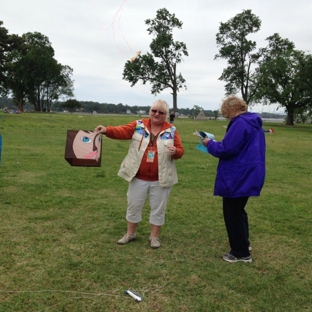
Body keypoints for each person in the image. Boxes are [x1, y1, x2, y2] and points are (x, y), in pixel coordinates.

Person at [94, 100, 184, 248]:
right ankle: (130, 234)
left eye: (161, 112)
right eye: (154, 110)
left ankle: (154, 237)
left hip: (161, 178)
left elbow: (180, 150)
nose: (156, 114)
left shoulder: (171, 130)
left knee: (158, 208)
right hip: (138, 177)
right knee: (133, 205)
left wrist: (176, 152)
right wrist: (106, 130)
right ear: (150, 111)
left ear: (166, 115)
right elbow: (121, 131)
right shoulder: (138, 125)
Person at [202, 95, 266, 263]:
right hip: (250, 171)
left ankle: (240, 252)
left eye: (226, 114)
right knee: (239, 210)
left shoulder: (240, 123)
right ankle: (243, 244)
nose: (227, 117)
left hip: (239, 174)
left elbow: (226, 149)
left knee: (232, 212)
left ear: (231, 110)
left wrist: (209, 143)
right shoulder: (253, 123)